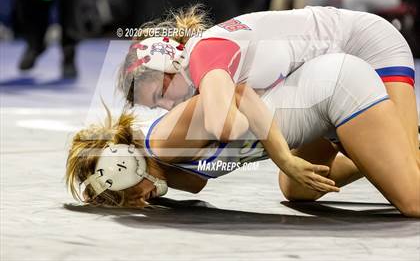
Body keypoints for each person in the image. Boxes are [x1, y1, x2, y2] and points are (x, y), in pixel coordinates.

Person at [67, 53, 420, 217]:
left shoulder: (163, 141)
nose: (137, 204)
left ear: (123, 167)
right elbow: (194, 184)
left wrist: (282, 157)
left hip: (334, 91)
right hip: (316, 119)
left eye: (125, 198)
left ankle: (389, 148)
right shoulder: (161, 165)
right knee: (297, 188)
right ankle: (389, 149)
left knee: (413, 203)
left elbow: (239, 93)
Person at [118, 5, 418, 175]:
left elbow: (226, 126)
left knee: (410, 172)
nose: (168, 107)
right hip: (332, 74)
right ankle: (373, 155)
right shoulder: (203, 69)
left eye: (160, 95)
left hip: (369, 45)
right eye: (157, 106)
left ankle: (392, 150)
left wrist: (154, 151)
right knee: (298, 188)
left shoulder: (205, 56)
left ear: (170, 64)